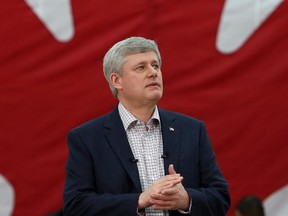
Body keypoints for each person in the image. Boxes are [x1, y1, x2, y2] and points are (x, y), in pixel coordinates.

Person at [63, 36, 230, 215]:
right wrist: (139, 200)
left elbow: (220, 197)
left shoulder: (192, 130)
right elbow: (76, 206)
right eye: (141, 67)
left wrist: (186, 200)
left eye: (155, 65)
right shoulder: (87, 138)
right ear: (116, 81)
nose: (153, 72)